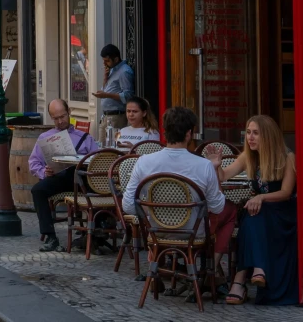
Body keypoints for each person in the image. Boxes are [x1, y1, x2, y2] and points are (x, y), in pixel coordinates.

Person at [123, 106, 237, 264]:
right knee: (230, 211)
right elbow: (217, 207)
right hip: (193, 232)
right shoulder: (204, 165)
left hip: (157, 231)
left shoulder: (144, 162)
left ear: (164, 131)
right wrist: (214, 168)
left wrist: (153, 210)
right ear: (189, 133)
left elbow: (128, 205)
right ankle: (211, 267)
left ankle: (158, 255)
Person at [210, 115, 297, 305]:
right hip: (261, 212)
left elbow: (286, 192)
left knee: (254, 213)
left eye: (256, 133)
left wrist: (260, 197)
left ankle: (240, 281)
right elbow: (224, 176)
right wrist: (216, 166)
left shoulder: (287, 156)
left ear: (268, 135)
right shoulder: (248, 156)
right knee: (252, 215)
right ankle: (258, 270)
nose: (250, 138)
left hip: (284, 213)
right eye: (248, 132)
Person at [29, 98, 99, 252]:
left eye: (63, 116)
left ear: (69, 113)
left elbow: (98, 162)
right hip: (59, 178)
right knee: (38, 190)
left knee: (101, 189)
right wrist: (43, 172)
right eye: (56, 118)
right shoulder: (45, 138)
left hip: (82, 179)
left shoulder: (85, 138)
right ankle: (50, 236)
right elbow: (33, 163)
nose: (60, 121)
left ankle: (95, 235)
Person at [91, 44, 134, 138]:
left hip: (117, 116)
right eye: (103, 61)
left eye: (107, 61)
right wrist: (105, 78)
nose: (104, 64)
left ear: (116, 59)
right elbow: (106, 89)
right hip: (106, 115)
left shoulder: (124, 72)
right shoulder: (112, 70)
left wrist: (106, 95)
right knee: (101, 146)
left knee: (113, 145)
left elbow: (128, 96)